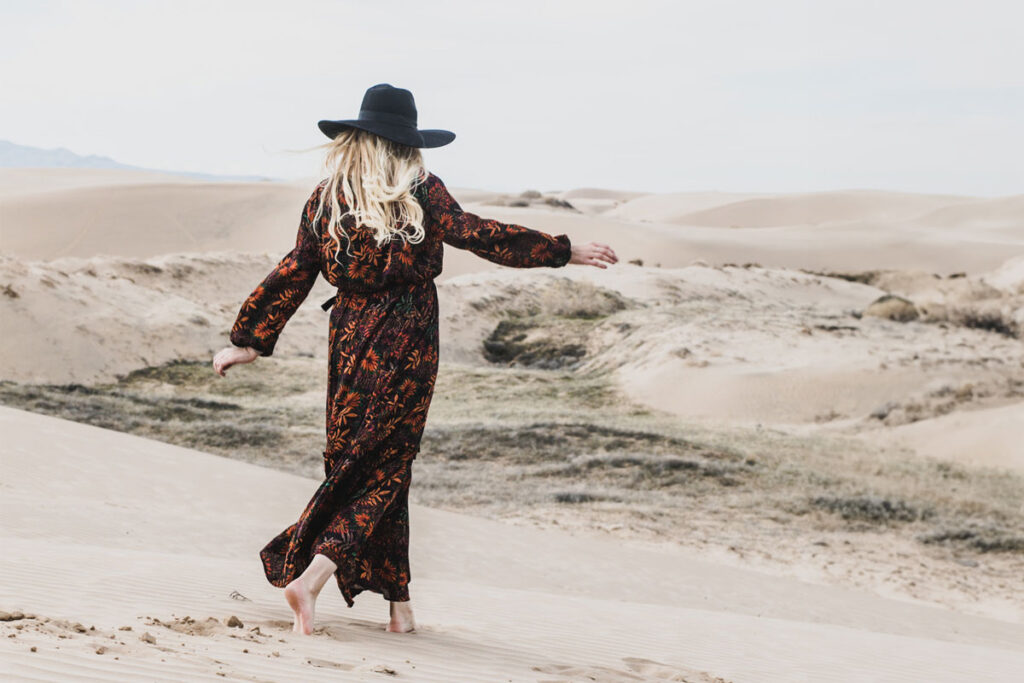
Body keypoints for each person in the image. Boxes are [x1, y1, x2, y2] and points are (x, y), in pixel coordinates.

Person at [211, 83, 618, 635]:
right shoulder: (422, 190)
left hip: (349, 338)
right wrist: (561, 250)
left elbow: (296, 269)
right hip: (408, 336)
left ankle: (400, 608)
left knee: (358, 460)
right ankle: (311, 577)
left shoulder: (327, 198)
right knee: (387, 465)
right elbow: (477, 234)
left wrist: (250, 339)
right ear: (406, 145)